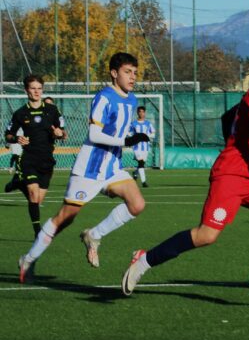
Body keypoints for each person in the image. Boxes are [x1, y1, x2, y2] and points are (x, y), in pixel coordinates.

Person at [121, 45, 249, 297]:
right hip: (231, 177)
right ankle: (144, 260)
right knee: (206, 235)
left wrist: (237, 144)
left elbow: (227, 117)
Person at [17, 52, 150, 283]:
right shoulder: (104, 97)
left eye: (135, 73)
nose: (133, 77)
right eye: (128, 72)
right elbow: (94, 134)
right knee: (65, 219)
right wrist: (127, 141)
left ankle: (94, 235)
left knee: (137, 204)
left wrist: (130, 136)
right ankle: (27, 259)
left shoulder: (131, 99)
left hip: (112, 168)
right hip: (89, 169)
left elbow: (117, 130)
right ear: (114, 73)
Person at [4, 75, 66, 238]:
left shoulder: (52, 110)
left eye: (39, 88)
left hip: (47, 160)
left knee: (37, 200)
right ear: (26, 90)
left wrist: (59, 133)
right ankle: (38, 231)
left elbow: (63, 133)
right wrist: (17, 138)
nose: (37, 91)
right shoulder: (20, 113)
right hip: (29, 158)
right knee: (33, 194)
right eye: (33, 88)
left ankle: (18, 183)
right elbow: (7, 135)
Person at [129, 106, 155, 188]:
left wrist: (147, 136)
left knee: (142, 164)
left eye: (143, 112)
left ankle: (135, 173)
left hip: (145, 147)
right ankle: (144, 182)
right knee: (140, 163)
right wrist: (133, 138)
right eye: (140, 111)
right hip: (136, 146)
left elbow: (153, 133)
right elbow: (128, 132)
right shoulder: (133, 124)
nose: (141, 113)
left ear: (145, 112)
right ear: (137, 113)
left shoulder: (148, 123)